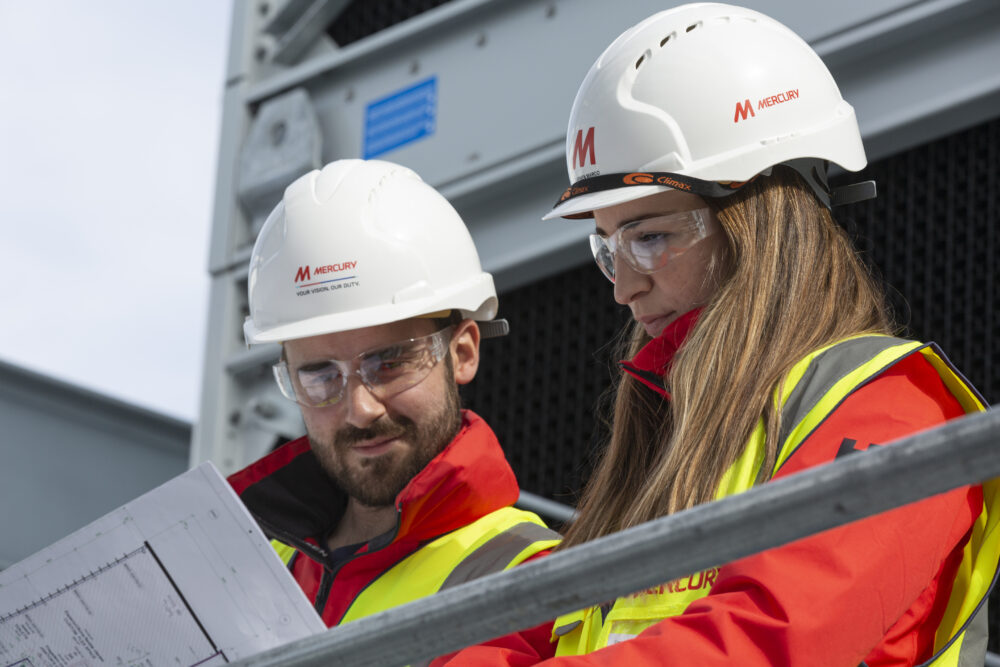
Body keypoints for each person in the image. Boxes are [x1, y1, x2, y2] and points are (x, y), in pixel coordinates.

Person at [434, 3, 999, 666]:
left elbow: (769, 640)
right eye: (610, 248)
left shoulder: (897, 411)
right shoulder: (661, 446)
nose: (623, 287)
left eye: (649, 237)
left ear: (764, 225)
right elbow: (507, 636)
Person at [227, 158, 560, 628]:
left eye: (389, 363)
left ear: (463, 352)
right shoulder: (253, 566)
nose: (360, 410)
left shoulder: (529, 572)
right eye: (320, 375)